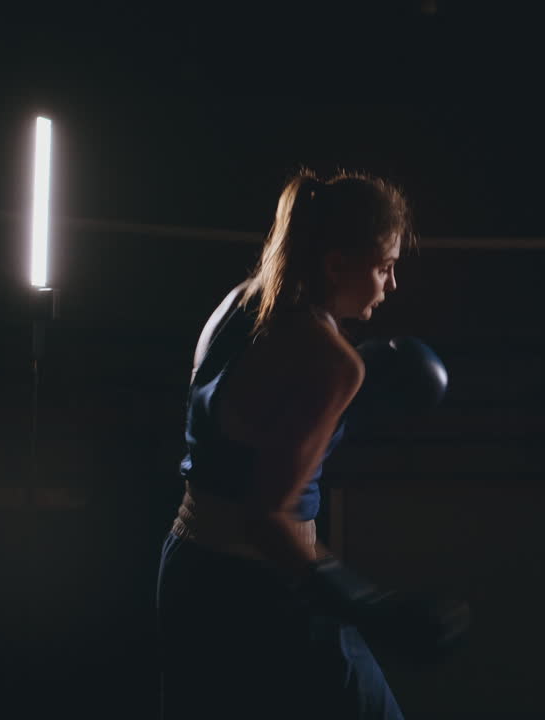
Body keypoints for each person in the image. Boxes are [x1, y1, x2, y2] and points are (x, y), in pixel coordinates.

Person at [156, 168, 465, 719]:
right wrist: (372, 605)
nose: (391, 286)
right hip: (265, 589)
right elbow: (263, 517)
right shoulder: (333, 362)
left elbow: (228, 435)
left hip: (187, 568)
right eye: (384, 268)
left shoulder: (237, 303)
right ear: (335, 265)